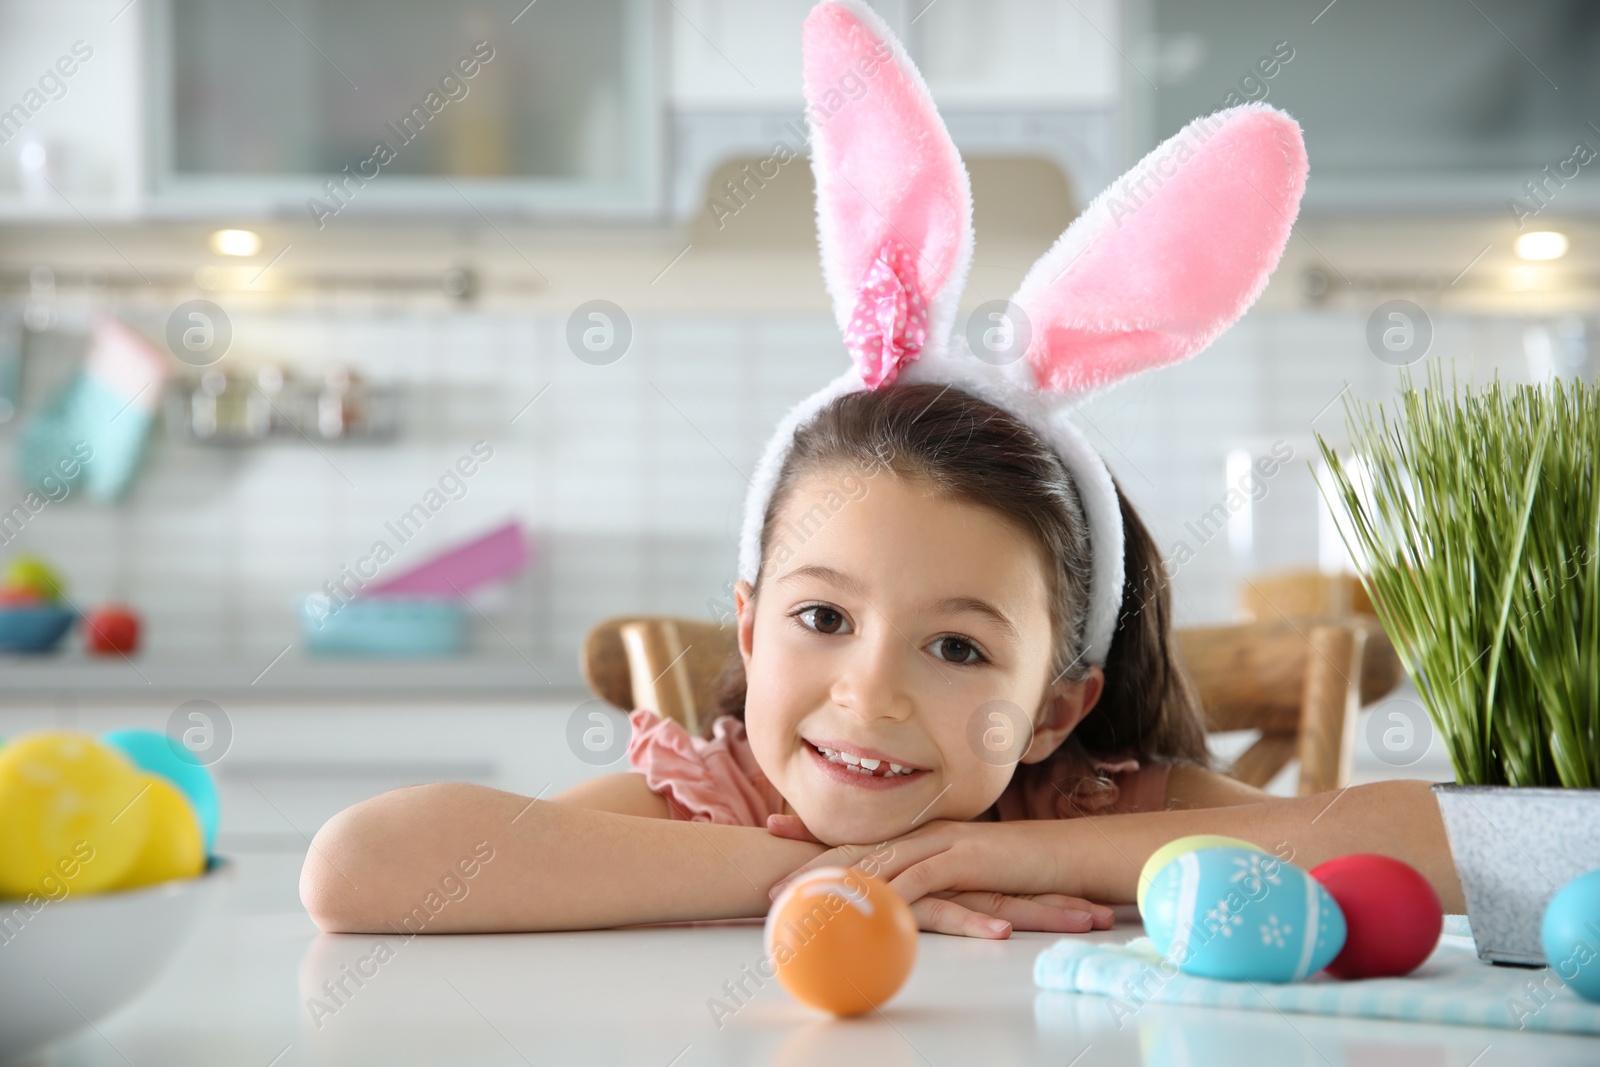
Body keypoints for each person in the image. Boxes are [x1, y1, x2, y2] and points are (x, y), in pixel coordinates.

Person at [300, 0, 1463, 939]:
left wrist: (1013, 852)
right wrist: (821, 875)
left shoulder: (1093, 801)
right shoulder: (722, 796)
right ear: (748, 634)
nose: (869, 693)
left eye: (958, 645)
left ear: (1057, 708)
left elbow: (1454, 848)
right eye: (821, 615)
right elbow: (362, 866)